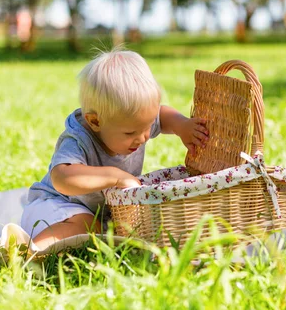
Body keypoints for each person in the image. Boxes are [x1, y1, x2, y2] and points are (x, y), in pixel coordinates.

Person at [20, 48, 209, 249]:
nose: (143, 137)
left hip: (95, 215)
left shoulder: (133, 121)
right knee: (87, 226)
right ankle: (23, 253)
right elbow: (62, 178)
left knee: (113, 232)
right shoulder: (79, 139)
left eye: (148, 126)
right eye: (130, 133)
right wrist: (114, 176)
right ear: (94, 121)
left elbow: (161, 115)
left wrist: (182, 125)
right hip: (53, 208)